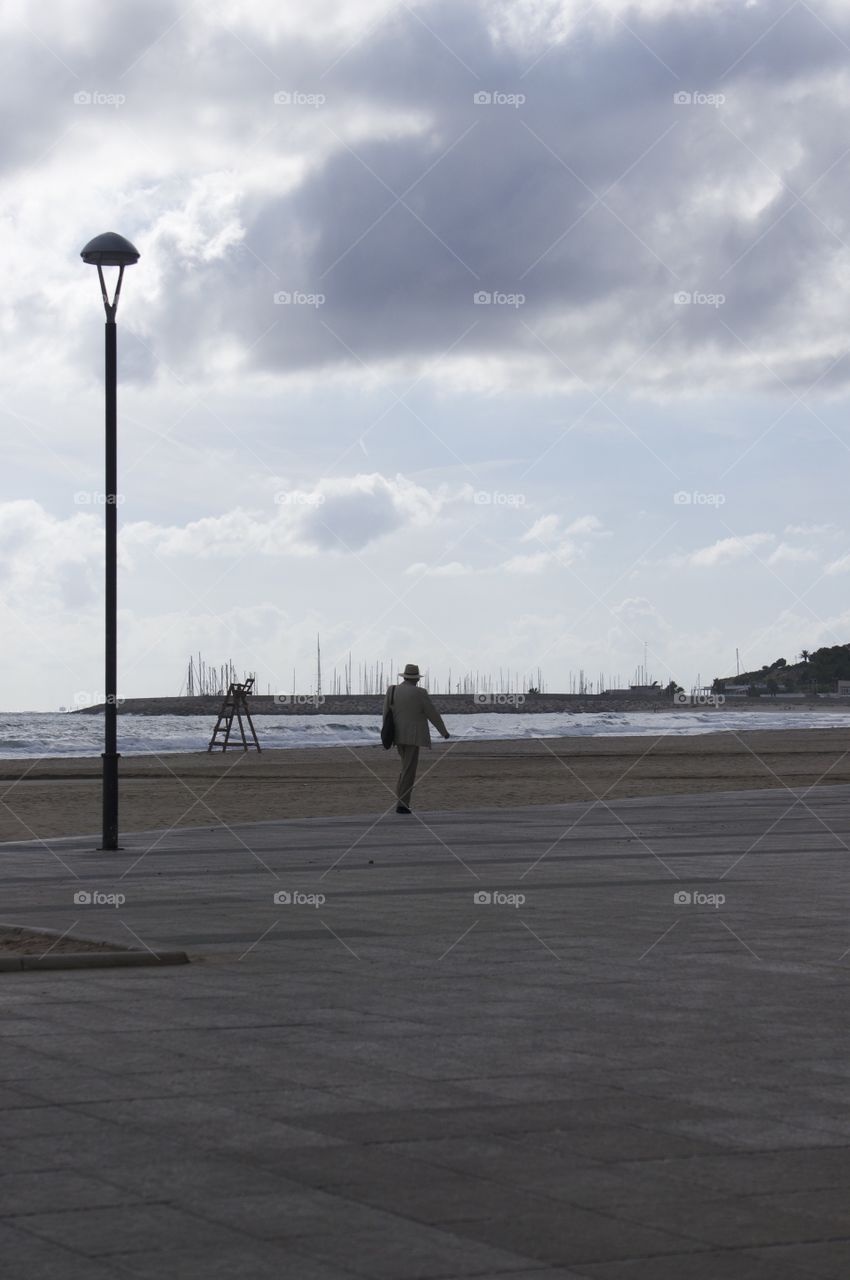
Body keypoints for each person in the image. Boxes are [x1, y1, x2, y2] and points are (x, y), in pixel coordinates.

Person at [383, 663, 450, 814]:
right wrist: (443, 731)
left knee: (405, 768)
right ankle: (402, 804)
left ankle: (401, 801)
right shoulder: (420, 693)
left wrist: (385, 735)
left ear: (404, 676)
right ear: (416, 679)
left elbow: (385, 714)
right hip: (413, 737)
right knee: (409, 770)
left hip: (397, 736)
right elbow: (432, 713)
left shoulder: (392, 690)